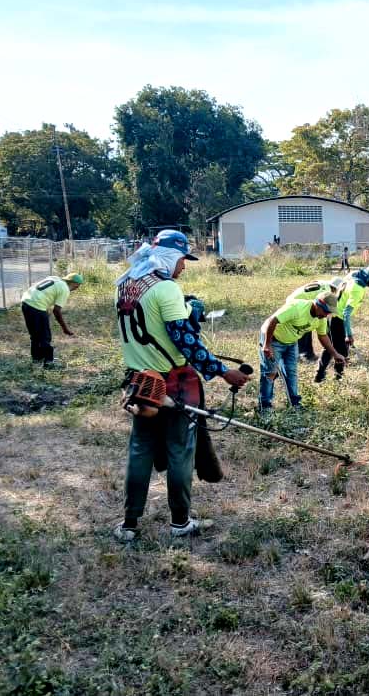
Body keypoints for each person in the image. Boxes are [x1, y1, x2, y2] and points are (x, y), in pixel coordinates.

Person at [113, 230, 251, 542]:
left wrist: (186, 311)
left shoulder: (125, 284)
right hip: (173, 383)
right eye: (182, 260)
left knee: (139, 451)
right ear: (171, 256)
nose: (184, 267)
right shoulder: (166, 289)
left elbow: (151, 324)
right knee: (179, 452)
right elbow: (185, 341)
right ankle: (180, 523)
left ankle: (129, 525)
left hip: (140, 382)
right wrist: (222, 371)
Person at [258, 292, 346, 412]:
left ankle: (294, 403)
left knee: (291, 372)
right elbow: (272, 321)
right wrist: (267, 344)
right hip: (273, 339)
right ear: (318, 305)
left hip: (291, 342)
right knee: (270, 373)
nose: (326, 315)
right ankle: (265, 406)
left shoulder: (320, 318)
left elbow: (323, 336)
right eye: (325, 311)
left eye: (328, 313)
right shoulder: (297, 308)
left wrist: (335, 354)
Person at [315, 266, 369, 382]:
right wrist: (348, 334)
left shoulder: (353, 276)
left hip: (333, 316)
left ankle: (319, 376)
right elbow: (346, 313)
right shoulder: (358, 289)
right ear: (368, 276)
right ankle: (338, 377)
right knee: (341, 350)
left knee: (329, 347)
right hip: (339, 320)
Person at [20, 271, 83, 368]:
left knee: (35, 334)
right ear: (73, 283)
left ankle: (36, 359)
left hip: (26, 301)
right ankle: (49, 363)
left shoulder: (54, 278)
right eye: (77, 286)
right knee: (45, 336)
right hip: (37, 306)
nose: (77, 288)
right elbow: (57, 311)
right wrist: (65, 328)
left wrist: (44, 311)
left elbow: (44, 292)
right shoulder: (65, 289)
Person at [288, 277, 346, 361]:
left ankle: (306, 353)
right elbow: (322, 308)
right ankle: (305, 354)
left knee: (309, 324)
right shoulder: (326, 293)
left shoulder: (324, 284)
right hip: (295, 304)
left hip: (296, 300)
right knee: (305, 326)